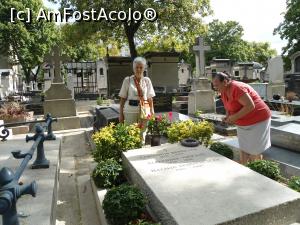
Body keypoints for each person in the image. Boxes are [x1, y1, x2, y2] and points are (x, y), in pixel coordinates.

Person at [212, 72, 271, 164]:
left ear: (225, 82)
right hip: (243, 122)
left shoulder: (237, 88)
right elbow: (228, 107)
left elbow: (250, 105)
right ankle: (244, 167)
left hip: (258, 119)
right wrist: (228, 117)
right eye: (214, 86)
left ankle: (256, 171)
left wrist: (234, 117)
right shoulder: (223, 91)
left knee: (254, 150)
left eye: (217, 85)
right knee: (244, 148)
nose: (215, 88)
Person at [119, 57, 155, 125]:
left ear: (144, 68)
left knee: (143, 133)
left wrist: (152, 110)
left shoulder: (147, 80)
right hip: (130, 111)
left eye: (141, 67)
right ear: (133, 68)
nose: (138, 69)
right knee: (130, 133)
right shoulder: (128, 80)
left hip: (145, 110)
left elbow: (150, 98)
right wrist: (120, 114)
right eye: (136, 67)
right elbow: (122, 99)